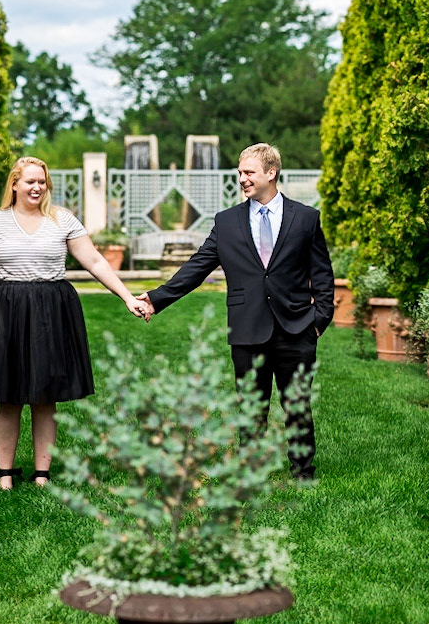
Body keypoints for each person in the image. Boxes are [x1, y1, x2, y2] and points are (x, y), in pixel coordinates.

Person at [142, 142, 333, 479]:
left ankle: (303, 472)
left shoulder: (305, 218)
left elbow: (322, 273)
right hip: (247, 328)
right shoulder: (227, 222)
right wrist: (157, 299)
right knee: (250, 407)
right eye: (240, 173)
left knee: (297, 405)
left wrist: (319, 320)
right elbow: (197, 267)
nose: (242, 179)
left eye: (249, 173)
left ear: (271, 173)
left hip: (296, 328)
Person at [0, 156, 153, 489]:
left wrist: (127, 296)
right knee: (7, 395)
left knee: (44, 393)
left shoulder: (62, 220)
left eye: (42, 181)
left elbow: (96, 262)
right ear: (14, 184)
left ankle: (42, 473)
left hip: (49, 314)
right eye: (30, 181)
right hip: (5, 312)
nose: (37, 187)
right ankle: (5, 474)